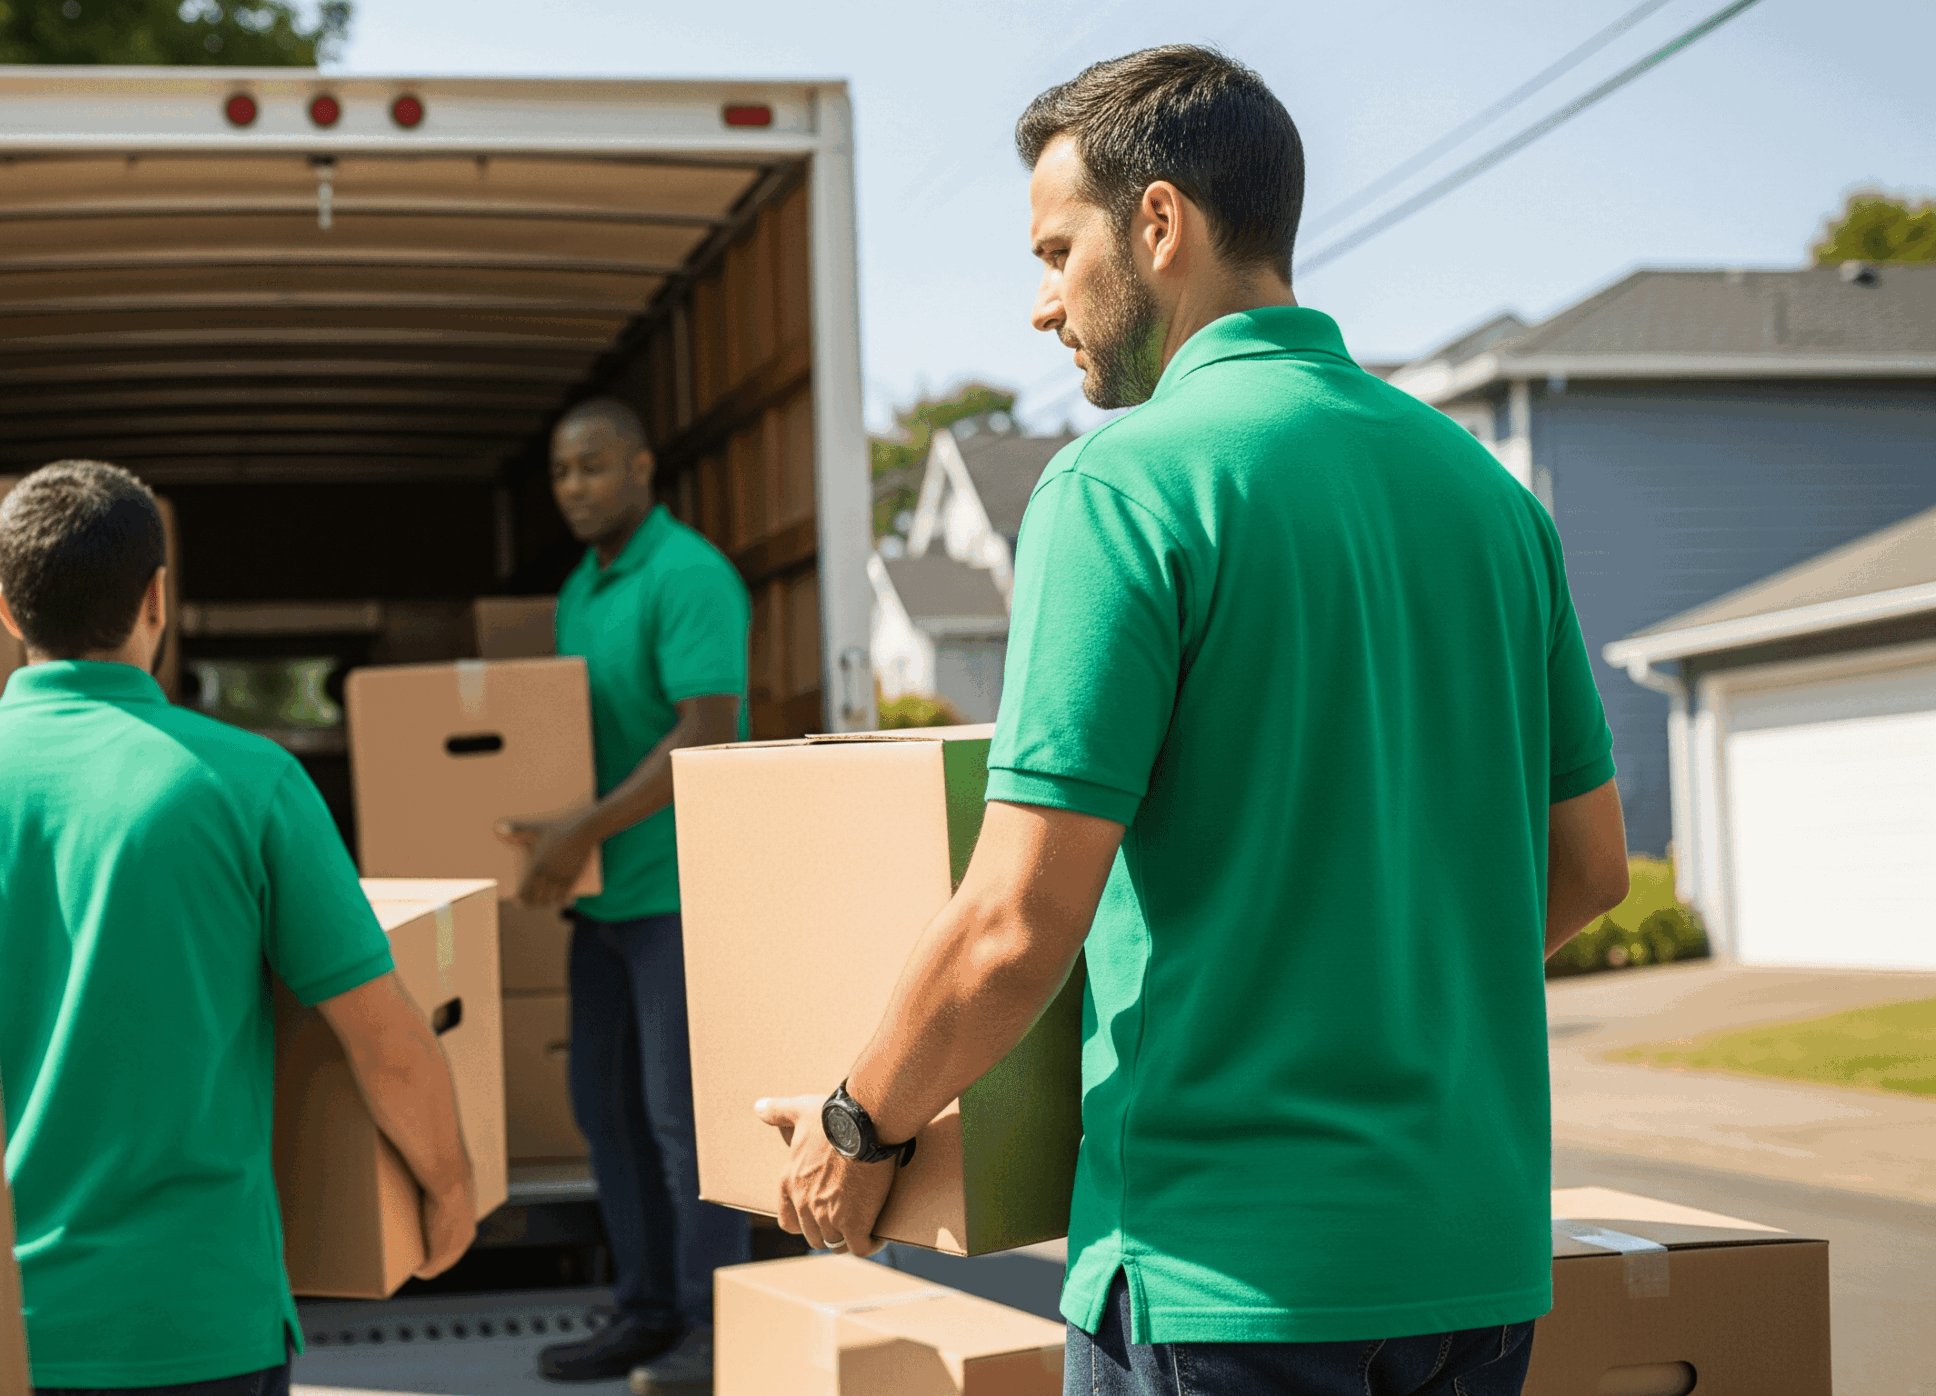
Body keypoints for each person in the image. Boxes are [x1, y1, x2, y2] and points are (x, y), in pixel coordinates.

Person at [756, 47, 1633, 1396]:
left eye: (1058, 253)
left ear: (1159, 224)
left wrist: (851, 1127)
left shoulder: (1124, 487)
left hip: (1227, 1283)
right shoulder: (1491, 500)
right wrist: (1370, 1001)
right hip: (1475, 1272)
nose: (1043, 306)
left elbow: (1012, 926)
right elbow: (1588, 870)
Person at [0, 459, 477, 1396]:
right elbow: (386, 1044)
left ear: (8, 609)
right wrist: (450, 1192)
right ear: (158, 600)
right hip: (197, 1325)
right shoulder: (248, 786)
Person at [497, 399, 751, 1394]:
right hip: (601, 902)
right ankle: (644, 1311)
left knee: (681, 1120)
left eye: (593, 468)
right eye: (561, 473)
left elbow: (704, 730)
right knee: (602, 1114)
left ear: (643, 468)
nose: (574, 488)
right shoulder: (580, 589)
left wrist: (580, 829)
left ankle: (711, 1325)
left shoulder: (687, 576)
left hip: (678, 894)